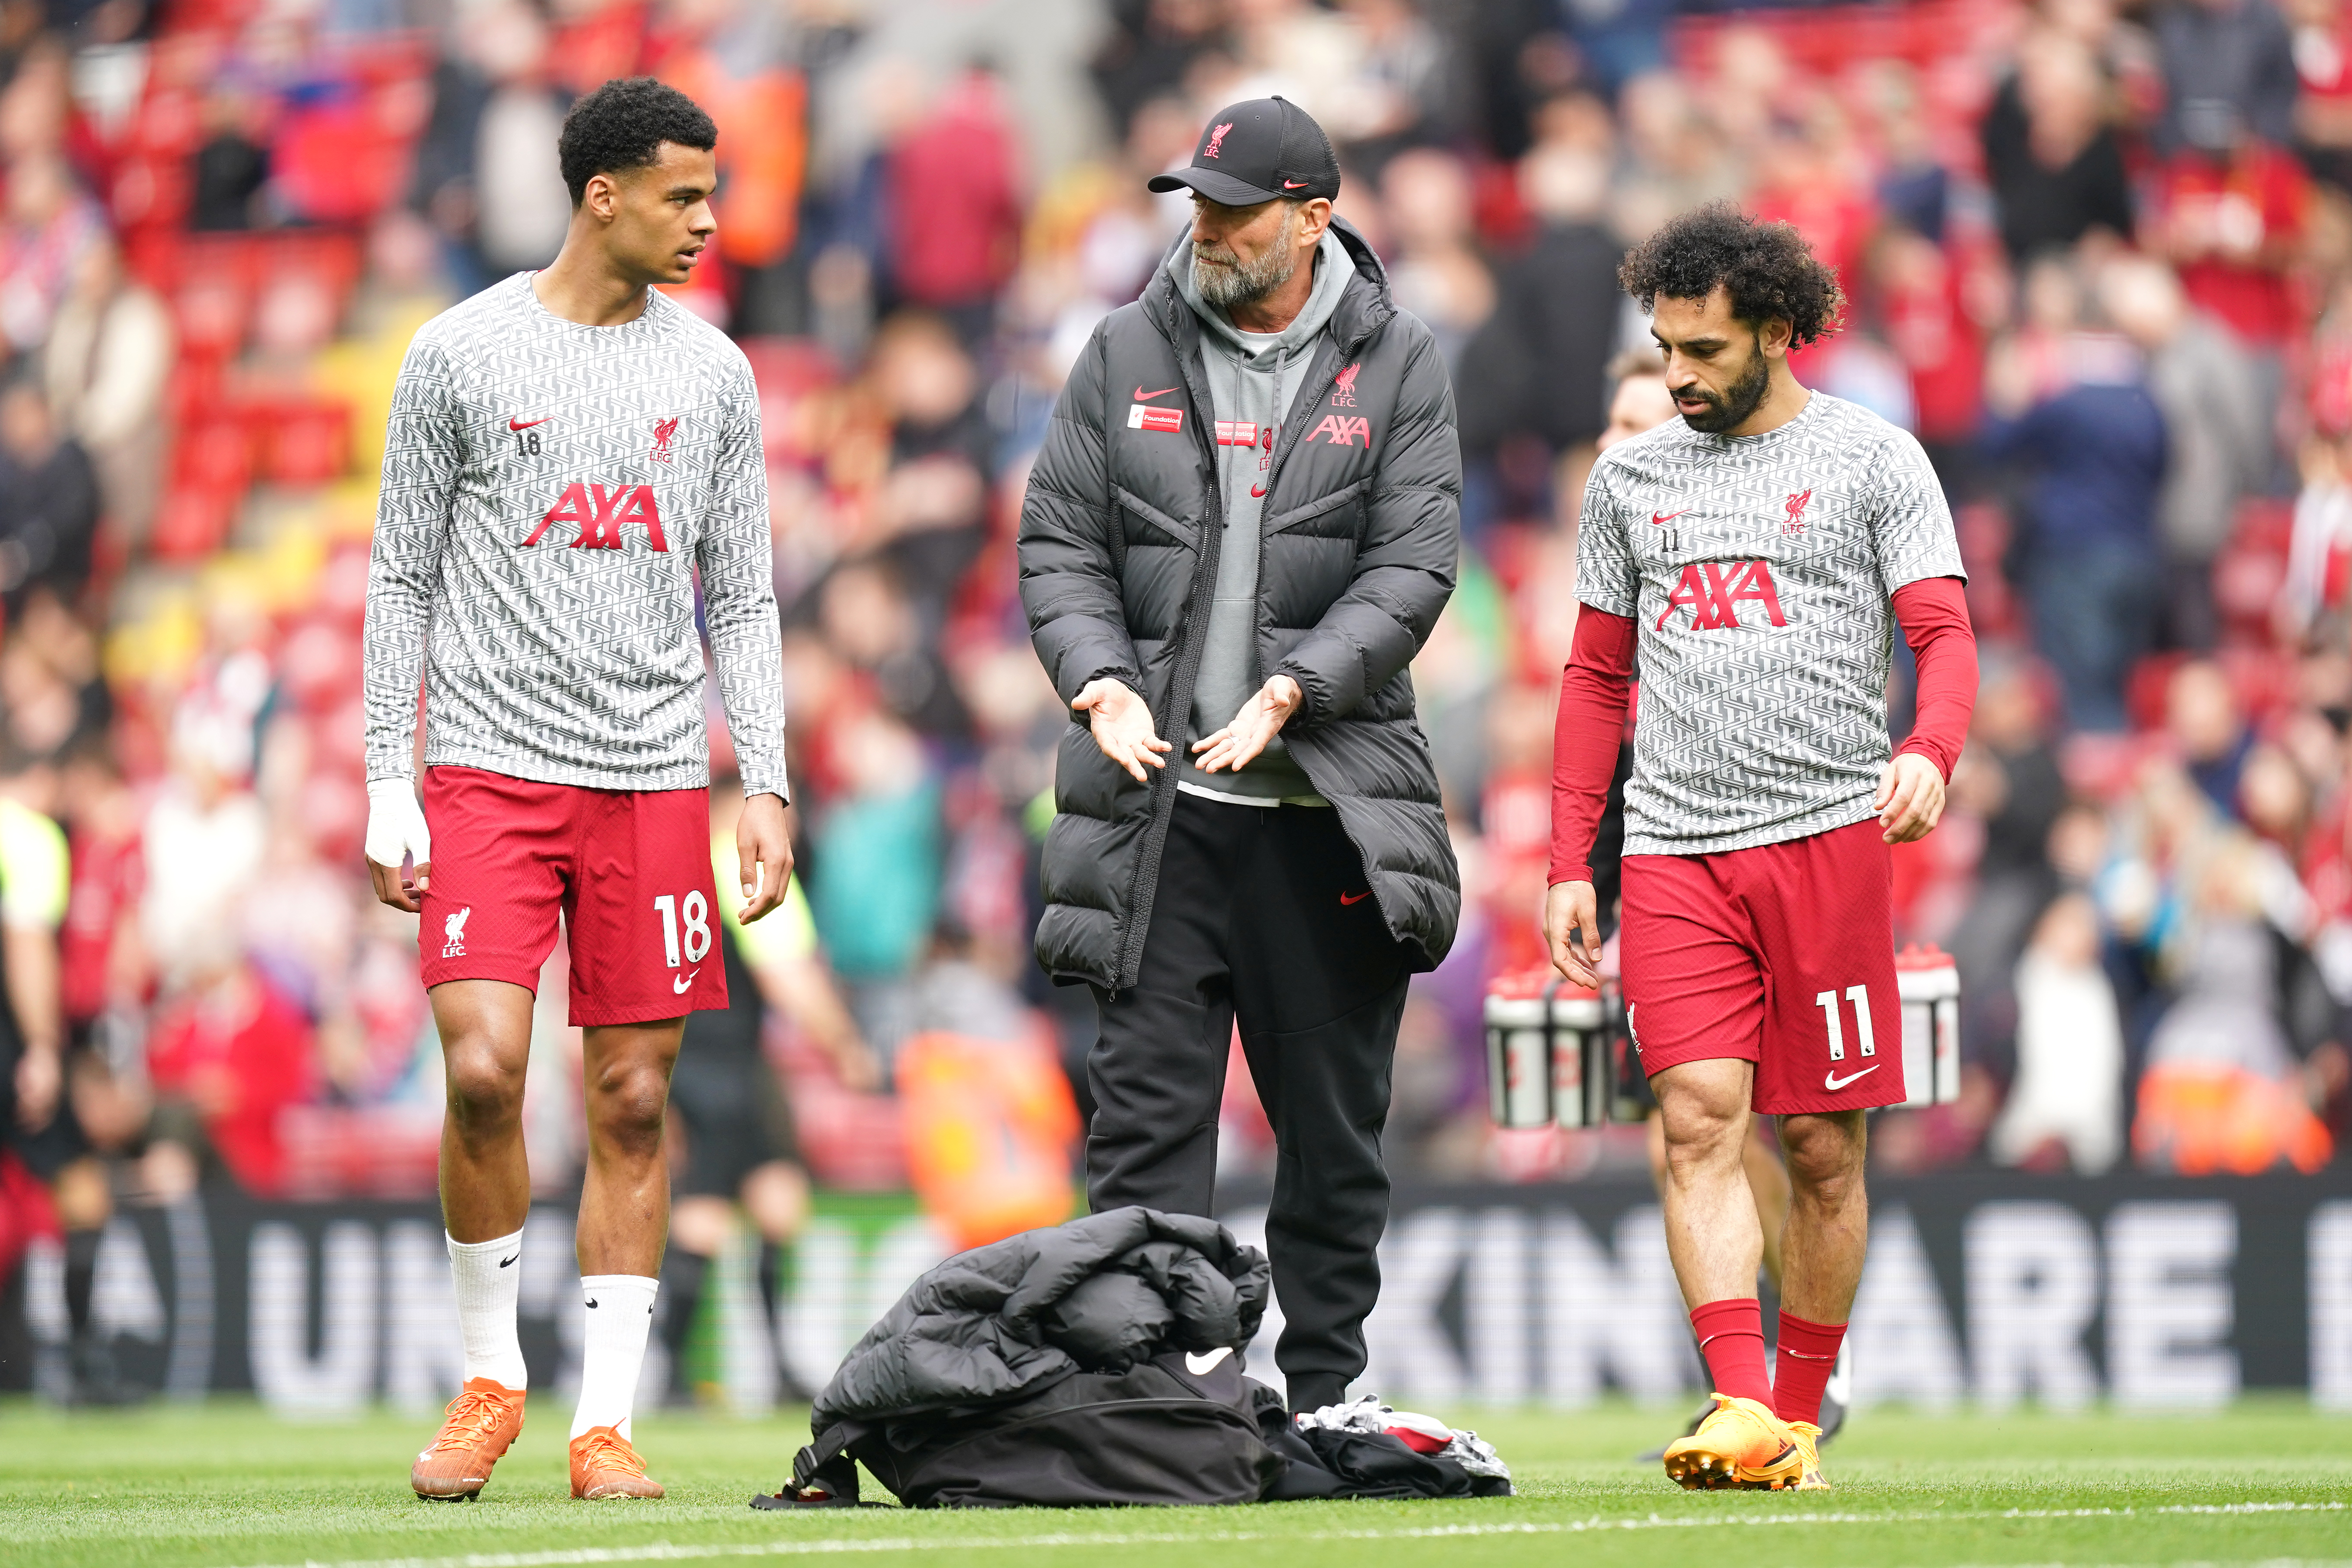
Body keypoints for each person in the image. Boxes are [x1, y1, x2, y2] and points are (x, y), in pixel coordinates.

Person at [361, 77, 791, 1503]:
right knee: (484, 1071)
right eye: (683, 195)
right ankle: (491, 1374)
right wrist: (384, 776)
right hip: (486, 770)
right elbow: (403, 573)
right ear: (602, 194)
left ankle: (603, 1422)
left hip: (654, 781)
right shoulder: (459, 354)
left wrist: (766, 783)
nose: (705, 221)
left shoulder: (713, 372)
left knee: (628, 1095)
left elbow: (741, 592)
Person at [1016, 95, 1462, 1416]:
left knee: (1331, 1139)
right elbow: (1057, 542)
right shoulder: (1123, 347)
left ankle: (1325, 1399)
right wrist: (1095, 680)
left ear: (1311, 219)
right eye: (1194, 203)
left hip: (1323, 809)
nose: (1202, 227)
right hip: (1156, 811)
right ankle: (1162, 1401)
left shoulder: (1400, 361)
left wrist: (1296, 688)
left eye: (1231, 208)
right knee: (1144, 1136)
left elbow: (1414, 563)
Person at [1546, 203, 1977, 1491]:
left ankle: (1794, 1414)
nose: (1674, 375)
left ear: (1779, 334)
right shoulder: (1627, 479)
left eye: (1703, 351)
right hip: (1676, 851)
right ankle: (1738, 1403)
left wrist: (1929, 753)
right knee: (1695, 1122)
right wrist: (1573, 860)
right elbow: (1592, 678)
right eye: (1663, 347)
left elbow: (1944, 638)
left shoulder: (1874, 460)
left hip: (1828, 843)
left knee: (1821, 1148)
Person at [1582, 347, 1851, 1462]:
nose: (1619, 441)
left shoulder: (1745, 517)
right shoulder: (1620, 519)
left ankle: (1794, 1375)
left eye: (1640, 419)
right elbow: (1590, 701)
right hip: (1651, 839)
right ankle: (1749, 1391)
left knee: (1795, 1134)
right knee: (1687, 1131)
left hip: (1763, 829)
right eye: (1613, 420)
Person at [658, 782, 876, 1405]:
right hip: (722, 1067)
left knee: (777, 1200)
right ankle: (678, 1378)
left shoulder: (680, 870)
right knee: (710, 1216)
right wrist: (846, 1048)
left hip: (703, 1062)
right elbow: (789, 976)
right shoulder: (744, 864)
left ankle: (768, 1367)